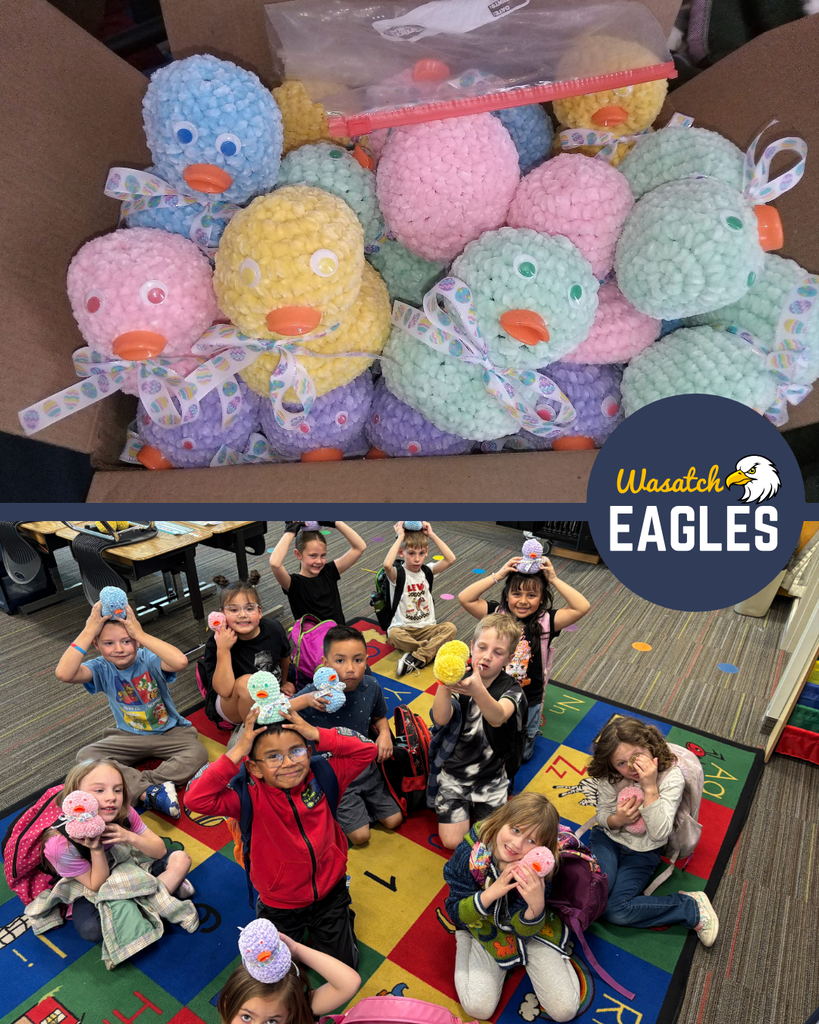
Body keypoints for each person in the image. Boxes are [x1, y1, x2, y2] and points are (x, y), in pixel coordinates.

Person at [185, 703, 377, 969]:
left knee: (346, 966)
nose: (288, 763)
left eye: (296, 751)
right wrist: (238, 750)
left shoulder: (324, 774)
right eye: (273, 757)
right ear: (254, 768)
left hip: (330, 890)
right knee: (276, 973)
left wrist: (314, 732)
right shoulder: (246, 796)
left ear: (309, 751)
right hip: (280, 902)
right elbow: (195, 799)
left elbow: (368, 750)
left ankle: (342, 917)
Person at [56, 602, 208, 818]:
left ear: (137, 641)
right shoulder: (100, 667)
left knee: (198, 753)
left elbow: (180, 661)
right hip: (128, 735)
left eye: (127, 641)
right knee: (87, 756)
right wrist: (89, 630)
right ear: (97, 646)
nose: (119, 649)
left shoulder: (147, 658)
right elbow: (64, 673)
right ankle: (151, 790)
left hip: (170, 732)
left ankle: (141, 787)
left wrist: (140, 633)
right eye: (109, 643)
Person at [443, 793, 580, 1023]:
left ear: (542, 850)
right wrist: (491, 893)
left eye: (532, 841)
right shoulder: (470, 852)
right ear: (501, 820)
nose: (517, 845)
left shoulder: (539, 868)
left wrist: (535, 905)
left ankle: (557, 953)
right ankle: (464, 938)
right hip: (482, 924)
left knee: (564, 1011)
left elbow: (523, 931)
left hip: (528, 927)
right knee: (478, 1008)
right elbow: (455, 910)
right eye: (515, 830)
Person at [586, 717, 719, 945]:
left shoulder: (671, 777)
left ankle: (690, 907)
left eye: (636, 757)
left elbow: (659, 833)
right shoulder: (612, 776)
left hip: (643, 851)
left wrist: (649, 787)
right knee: (593, 892)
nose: (631, 768)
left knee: (616, 911)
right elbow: (602, 815)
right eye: (621, 763)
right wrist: (616, 819)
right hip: (608, 839)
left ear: (649, 746)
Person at [39, 759, 195, 943]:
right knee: (92, 930)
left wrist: (130, 837)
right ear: (76, 796)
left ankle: (140, 910)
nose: (111, 797)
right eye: (99, 790)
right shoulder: (60, 844)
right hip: (92, 885)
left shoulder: (124, 813)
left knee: (181, 859)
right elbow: (96, 885)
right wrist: (96, 849)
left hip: (130, 865)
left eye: (117, 790)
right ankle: (160, 897)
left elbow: (160, 850)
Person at [458, 551, 590, 763]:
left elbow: (582, 606)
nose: (523, 601)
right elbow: (465, 597)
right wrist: (498, 575)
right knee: (492, 728)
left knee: (524, 749)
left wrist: (553, 579)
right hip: (494, 689)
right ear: (507, 594)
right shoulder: (496, 615)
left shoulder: (547, 620)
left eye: (531, 595)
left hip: (530, 694)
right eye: (516, 593)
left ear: (542, 598)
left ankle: (524, 742)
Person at [298, 625, 402, 845]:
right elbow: (278, 709)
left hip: (366, 768)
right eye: (340, 661)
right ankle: (330, 805)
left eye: (358, 660)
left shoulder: (371, 685)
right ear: (325, 664)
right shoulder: (313, 693)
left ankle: (358, 808)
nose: (350, 669)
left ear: (366, 660)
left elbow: (378, 716)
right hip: (334, 775)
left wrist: (384, 733)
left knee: (394, 820)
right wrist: (306, 700)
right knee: (360, 836)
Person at [431, 614, 525, 850]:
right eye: (482, 647)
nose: (487, 656)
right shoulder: (458, 677)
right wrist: (443, 683)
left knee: (490, 841)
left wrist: (477, 691)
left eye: (498, 652)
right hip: (454, 774)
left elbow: (497, 717)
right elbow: (440, 718)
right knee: (452, 842)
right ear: (472, 647)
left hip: (491, 779)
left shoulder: (512, 689)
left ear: (509, 659)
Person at [219, 919, 360, 1024]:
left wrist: (297, 950)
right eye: (246, 1017)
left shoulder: (298, 1012)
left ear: (291, 1014)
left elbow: (349, 983)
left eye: (271, 1022)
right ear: (227, 1005)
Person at [202, 571, 293, 727]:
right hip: (231, 702)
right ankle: (249, 732)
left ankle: (269, 720)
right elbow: (224, 691)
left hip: (268, 693)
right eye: (234, 610)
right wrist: (223, 649)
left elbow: (284, 657)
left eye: (249, 609)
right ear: (222, 614)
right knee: (247, 683)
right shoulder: (217, 640)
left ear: (259, 612)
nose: (242, 615)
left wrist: (284, 682)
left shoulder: (273, 628)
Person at [383, 521, 457, 677]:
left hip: (427, 628)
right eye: (411, 553)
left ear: (426, 552)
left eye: (421, 553)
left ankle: (416, 656)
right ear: (402, 553)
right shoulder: (398, 574)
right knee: (393, 636)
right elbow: (387, 565)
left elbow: (451, 559)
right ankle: (429, 651)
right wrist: (400, 538)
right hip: (403, 629)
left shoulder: (428, 571)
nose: (417, 559)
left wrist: (431, 534)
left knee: (451, 628)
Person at [269, 521, 366, 626]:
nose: (319, 561)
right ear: (298, 554)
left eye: (323, 555)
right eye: (313, 556)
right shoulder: (294, 584)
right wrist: (290, 532)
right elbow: (275, 563)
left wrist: (336, 523)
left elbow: (360, 547)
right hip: (313, 641)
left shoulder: (329, 572)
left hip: (338, 636)